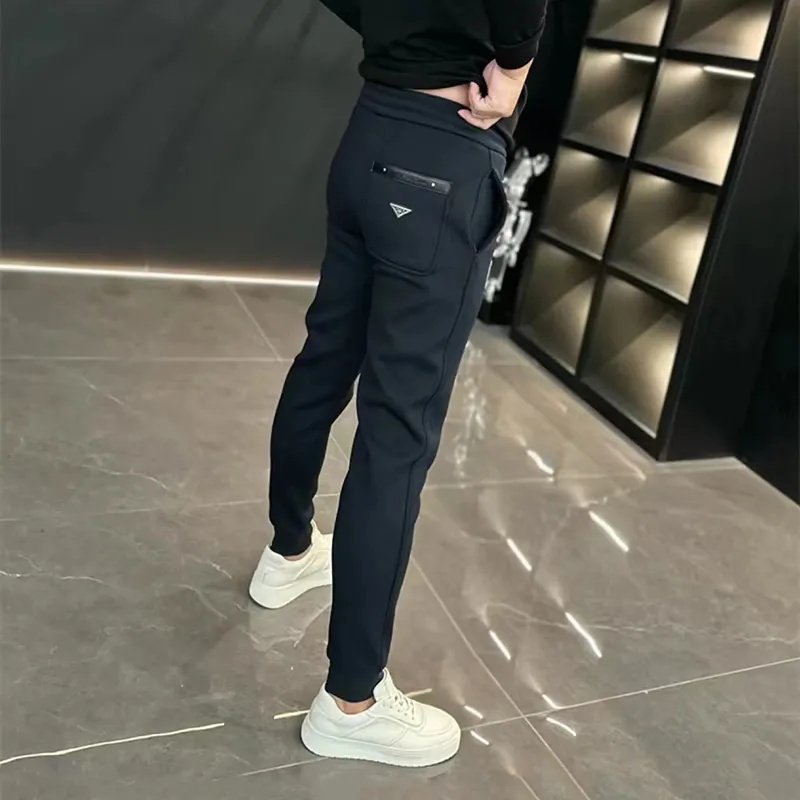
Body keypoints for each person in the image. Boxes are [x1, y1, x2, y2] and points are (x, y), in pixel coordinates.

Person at [249, 0, 549, 767]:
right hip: (443, 148)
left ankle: (288, 553)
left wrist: (398, 29)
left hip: (371, 128)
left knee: (324, 359)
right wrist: (514, 68)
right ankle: (352, 701)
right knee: (397, 431)